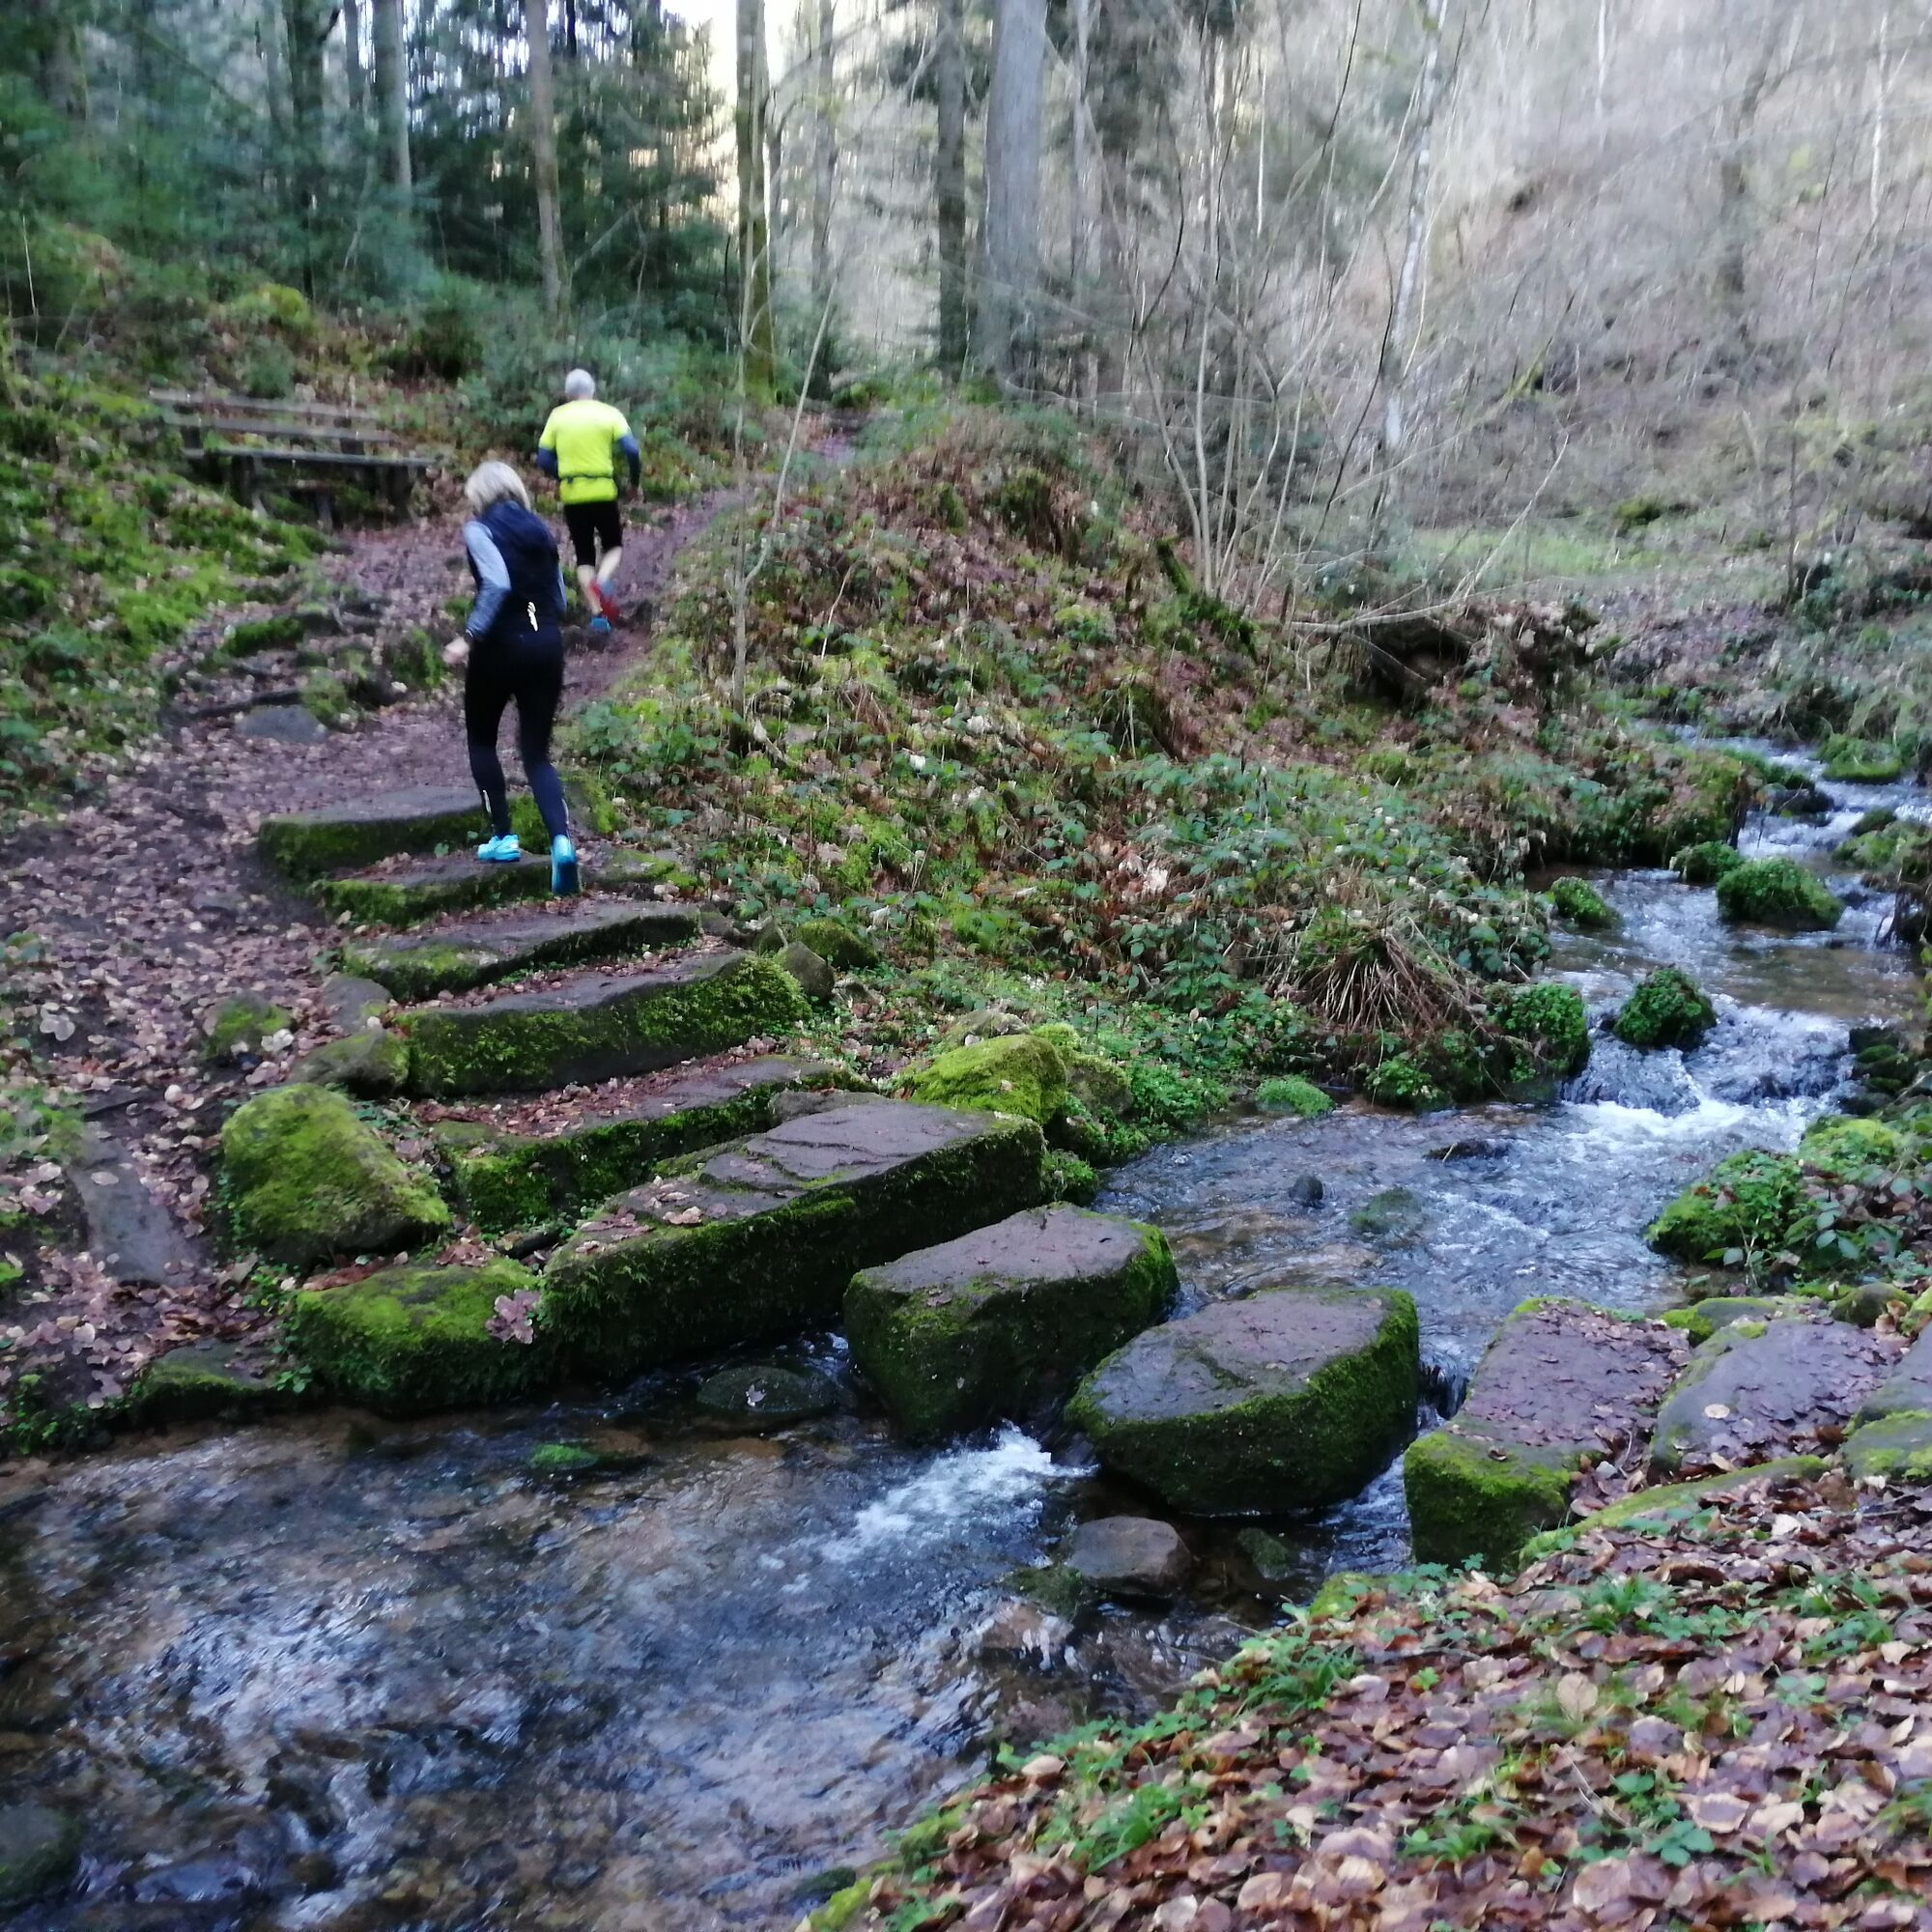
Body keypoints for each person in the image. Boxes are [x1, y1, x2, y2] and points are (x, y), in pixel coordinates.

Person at [442, 462, 579, 895]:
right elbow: (559, 597)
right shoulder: (542, 530)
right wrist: (539, 622)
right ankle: (561, 842)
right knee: (537, 753)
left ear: (481, 494)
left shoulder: (479, 529)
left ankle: (502, 837)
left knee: (482, 741)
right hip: (546, 645)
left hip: (499, 647)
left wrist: (469, 637)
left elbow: (497, 583)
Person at [535, 368, 642, 635]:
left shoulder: (557, 416)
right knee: (613, 545)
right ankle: (603, 580)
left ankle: (598, 616)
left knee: (584, 555)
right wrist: (634, 482)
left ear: (567, 393)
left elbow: (544, 459)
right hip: (603, 491)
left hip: (573, 494)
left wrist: (564, 474)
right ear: (592, 390)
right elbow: (632, 450)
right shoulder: (609, 413)